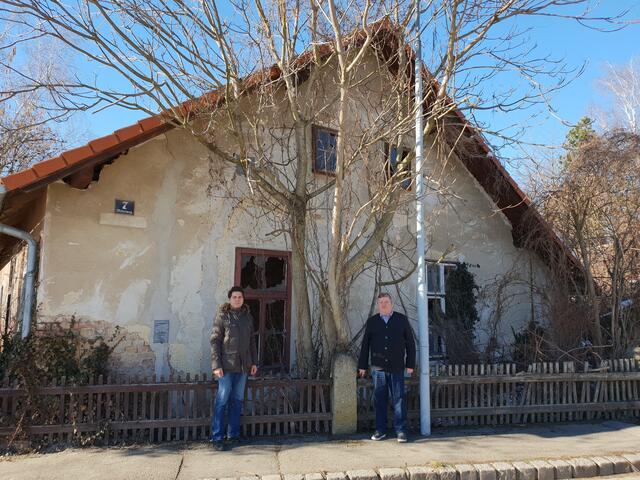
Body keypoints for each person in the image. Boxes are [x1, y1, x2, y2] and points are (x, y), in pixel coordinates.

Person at [358, 292, 416, 443]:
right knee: (380, 400)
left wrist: (410, 364)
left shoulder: (401, 320)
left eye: (386, 302)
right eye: (381, 302)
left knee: (399, 400)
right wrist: (362, 366)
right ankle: (380, 430)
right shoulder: (372, 322)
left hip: (397, 367)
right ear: (378, 305)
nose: (383, 304)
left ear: (392, 303)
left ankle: (401, 431)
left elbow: (410, 343)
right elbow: (365, 345)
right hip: (378, 369)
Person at [210, 286, 258, 451]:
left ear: (243, 299)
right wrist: (216, 365)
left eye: (240, 297)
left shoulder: (248, 318)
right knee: (221, 401)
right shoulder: (222, 317)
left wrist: (253, 363)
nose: (237, 299)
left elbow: (252, 342)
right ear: (230, 299)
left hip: (243, 367)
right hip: (226, 367)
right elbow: (215, 341)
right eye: (234, 297)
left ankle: (233, 435)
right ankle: (217, 437)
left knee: (237, 401)